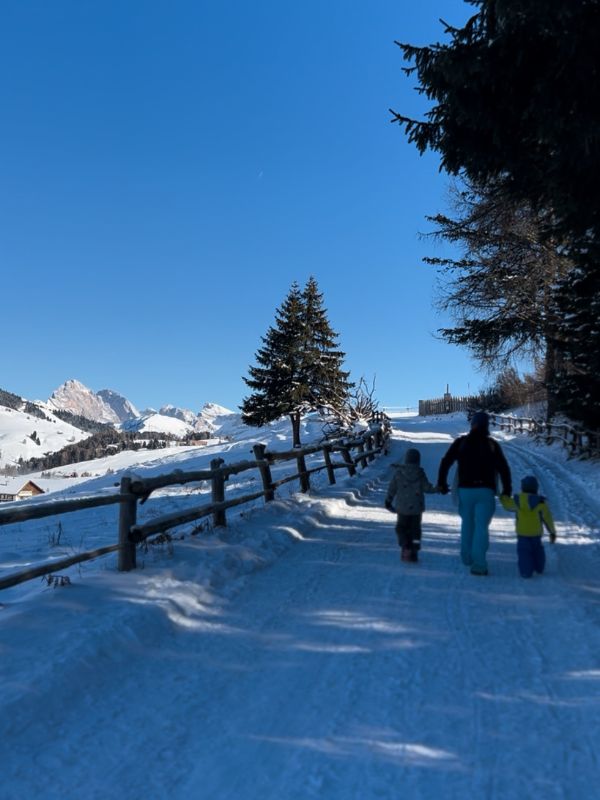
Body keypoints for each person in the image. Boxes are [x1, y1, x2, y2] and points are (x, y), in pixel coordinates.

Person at [437, 411, 512, 576]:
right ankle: (479, 564)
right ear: (487, 426)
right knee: (481, 527)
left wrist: (442, 483)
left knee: (467, 524)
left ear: (473, 425)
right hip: (486, 491)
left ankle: (466, 556)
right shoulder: (492, 445)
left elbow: (446, 462)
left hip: (465, 490)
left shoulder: (461, 442)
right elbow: (503, 468)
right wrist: (507, 490)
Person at [385, 448, 439, 562]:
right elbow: (427, 488)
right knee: (415, 529)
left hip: (402, 508)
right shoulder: (420, 474)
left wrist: (388, 500)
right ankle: (414, 547)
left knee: (401, 527)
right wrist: (437, 489)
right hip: (416, 508)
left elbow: (392, 488)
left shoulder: (399, 473)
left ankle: (405, 544)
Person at [500, 475, 557, 578]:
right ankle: (539, 568)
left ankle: (526, 572)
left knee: (524, 553)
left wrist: (503, 497)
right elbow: (548, 519)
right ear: (536, 488)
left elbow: (507, 505)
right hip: (536, 534)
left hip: (522, 534)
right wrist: (552, 532)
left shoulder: (517, 501)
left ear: (522, 488)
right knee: (538, 550)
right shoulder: (541, 503)